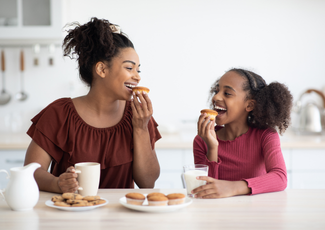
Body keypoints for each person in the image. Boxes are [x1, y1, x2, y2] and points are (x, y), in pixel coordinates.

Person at [24, 17, 161, 193]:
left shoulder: (139, 115)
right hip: (70, 214)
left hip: (121, 217)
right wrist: (57, 183)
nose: (137, 77)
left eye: (138, 69)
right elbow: (31, 171)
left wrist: (141, 129)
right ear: (102, 70)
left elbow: (147, 183)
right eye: (129, 68)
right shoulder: (59, 114)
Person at [193, 68, 293, 198]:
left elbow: (280, 178)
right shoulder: (202, 140)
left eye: (227, 93)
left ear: (250, 105)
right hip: (217, 214)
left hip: (256, 213)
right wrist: (212, 147)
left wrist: (233, 187)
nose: (216, 97)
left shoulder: (266, 136)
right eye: (217, 91)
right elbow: (205, 191)